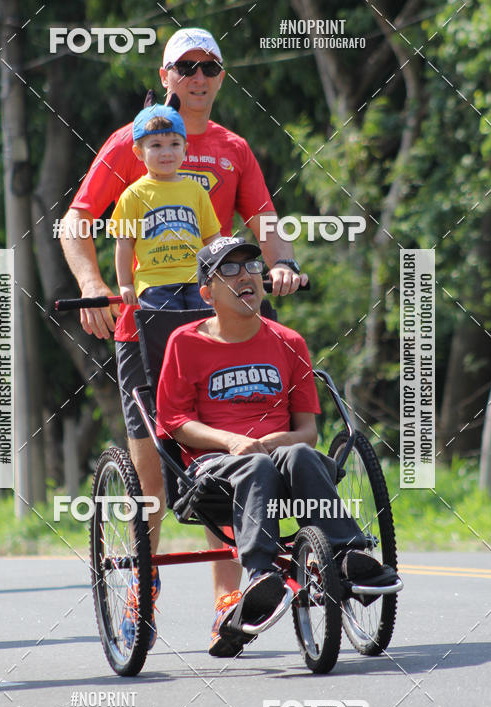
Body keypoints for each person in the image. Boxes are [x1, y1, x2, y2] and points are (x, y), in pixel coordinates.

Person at [60, 26, 307, 649]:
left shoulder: (234, 148)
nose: (199, 79)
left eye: (211, 68)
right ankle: (143, 588)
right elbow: (77, 221)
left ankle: (233, 597)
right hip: (141, 320)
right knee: (153, 470)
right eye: (186, 68)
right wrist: (93, 284)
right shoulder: (133, 140)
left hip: (212, 321)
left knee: (226, 450)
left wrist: (279, 264)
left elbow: (267, 224)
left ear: (222, 77)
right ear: (166, 74)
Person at [156, 237, 399, 656]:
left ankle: (348, 555)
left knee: (298, 454)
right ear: (207, 292)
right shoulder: (185, 342)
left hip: (284, 460)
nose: (245, 274)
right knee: (256, 466)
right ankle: (258, 577)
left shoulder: (289, 341)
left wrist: (277, 440)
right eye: (228, 270)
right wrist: (232, 441)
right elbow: (174, 423)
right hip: (215, 468)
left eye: (251, 265)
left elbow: (307, 432)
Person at [114, 99, 220, 310]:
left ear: (185, 149)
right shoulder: (133, 195)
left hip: (197, 280)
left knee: (203, 333)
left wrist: (220, 273)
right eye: (156, 145)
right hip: (154, 283)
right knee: (165, 334)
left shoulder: (196, 190)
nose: (166, 152)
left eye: (174, 144)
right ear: (138, 152)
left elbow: (212, 238)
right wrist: (125, 283)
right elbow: (124, 244)